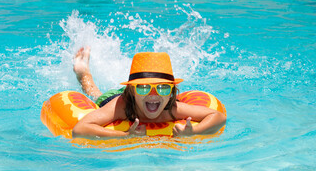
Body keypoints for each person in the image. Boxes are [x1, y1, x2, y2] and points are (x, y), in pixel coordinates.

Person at [72, 46, 226, 138]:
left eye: (162, 88)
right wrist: (125, 136)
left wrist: (194, 132)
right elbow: (79, 130)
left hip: (138, 98)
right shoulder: (121, 106)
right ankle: (83, 72)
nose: (154, 94)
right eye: (145, 87)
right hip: (116, 97)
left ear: (172, 91)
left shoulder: (172, 109)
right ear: (132, 90)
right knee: (96, 95)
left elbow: (218, 116)